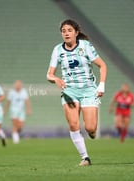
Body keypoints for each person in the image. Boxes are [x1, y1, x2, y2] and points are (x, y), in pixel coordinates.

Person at [46, 19, 107, 166]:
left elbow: (102, 65)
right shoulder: (58, 50)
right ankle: (85, 158)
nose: (66, 33)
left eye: (69, 30)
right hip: (69, 91)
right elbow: (49, 74)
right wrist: (55, 79)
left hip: (88, 91)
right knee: (73, 124)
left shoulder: (85, 46)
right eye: (63, 31)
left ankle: (91, 133)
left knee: (91, 128)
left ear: (76, 33)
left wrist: (101, 85)